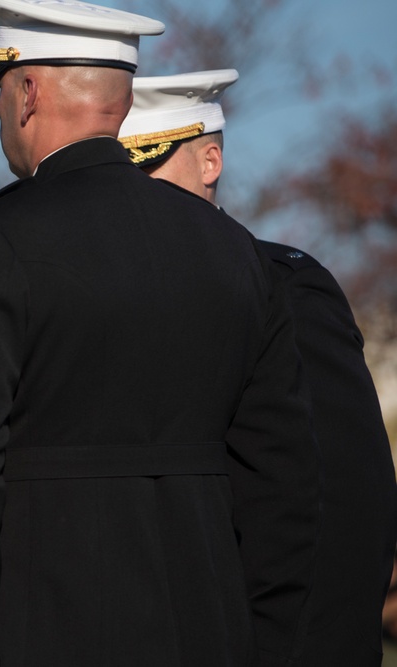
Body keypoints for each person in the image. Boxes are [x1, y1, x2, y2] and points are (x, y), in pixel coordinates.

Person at [0, 1, 321, 665]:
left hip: (50, 628)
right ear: (124, 100)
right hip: (214, 629)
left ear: (26, 93)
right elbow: (286, 477)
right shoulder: (235, 248)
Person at [118, 68, 397, 665]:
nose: (131, 192)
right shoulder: (98, 293)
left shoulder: (281, 285)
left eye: (147, 166)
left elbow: (340, 503)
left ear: (210, 161)